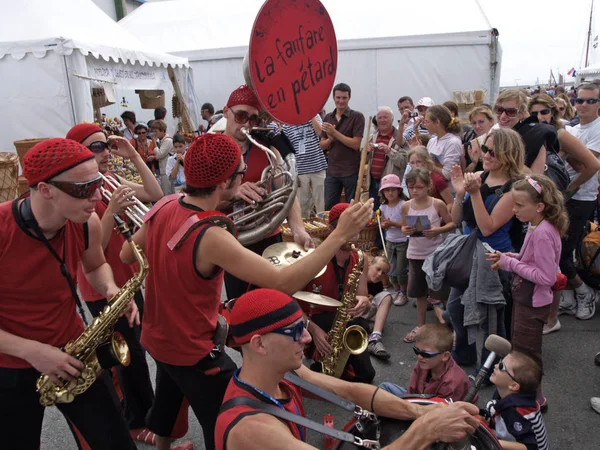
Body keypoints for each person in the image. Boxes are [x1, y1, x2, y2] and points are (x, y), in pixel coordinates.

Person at [120, 133, 373, 450]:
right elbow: (281, 282)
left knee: (169, 401)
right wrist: (337, 237)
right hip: (193, 349)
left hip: (158, 337)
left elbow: (127, 256)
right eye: (241, 172)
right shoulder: (210, 234)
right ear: (226, 180)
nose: (244, 176)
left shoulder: (167, 204)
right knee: (228, 425)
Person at [0, 138, 140, 450]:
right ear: (45, 189)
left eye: (97, 183)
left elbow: (95, 266)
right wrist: (33, 351)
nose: (98, 196)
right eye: (83, 188)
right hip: (10, 367)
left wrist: (111, 288)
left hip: (74, 352)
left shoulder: (86, 222)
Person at [215, 288, 481, 450]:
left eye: (304, 328)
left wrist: (422, 411)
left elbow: (352, 392)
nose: (307, 339)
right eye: (296, 331)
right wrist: (427, 430)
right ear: (260, 344)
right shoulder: (251, 429)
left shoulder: (282, 374)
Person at [66, 123, 162, 444]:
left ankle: (134, 411)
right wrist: (112, 213)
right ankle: (138, 420)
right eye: (96, 148)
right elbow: (90, 251)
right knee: (130, 353)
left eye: (106, 146)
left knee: (135, 347)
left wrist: (134, 154)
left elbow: (156, 195)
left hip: (128, 279)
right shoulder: (78, 192)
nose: (105, 152)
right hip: (101, 285)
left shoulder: (107, 181)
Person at [220, 84, 314, 299]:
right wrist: (232, 194)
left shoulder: (268, 150)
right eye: (241, 116)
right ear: (226, 112)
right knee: (242, 302)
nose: (247, 124)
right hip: (231, 242)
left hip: (269, 236)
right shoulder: (211, 150)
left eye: (254, 119)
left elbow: (287, 192)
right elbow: (197, 203)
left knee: (278, 297)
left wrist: (298, 229)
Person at [487, 174, 567, 411]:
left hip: (533, 303)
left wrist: (509, 264)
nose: (514, 209)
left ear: (540, 206)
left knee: (528, 355)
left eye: (519, 205)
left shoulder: (542, 232)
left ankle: (535, 400)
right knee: (521, 349)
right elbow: (528, 259)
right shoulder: (536, 225)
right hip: (525, 299)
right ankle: (528, 396)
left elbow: (546, 277)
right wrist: (510, 257)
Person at [449, 128, 524, 366]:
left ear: (508, 154)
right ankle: (464, 354)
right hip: (468, 253)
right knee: (455, 308)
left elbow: (488, 226)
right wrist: (460, 194)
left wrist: (474, 194)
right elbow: (456, 219)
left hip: (494, 260)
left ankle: (491, 368)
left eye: (493, 151)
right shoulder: (479, 175)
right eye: (485, 149)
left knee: (492, 320)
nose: (486, 155)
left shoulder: (514, 188)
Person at [302, 203, 376, 383]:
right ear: (331, 229)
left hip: (341, 321)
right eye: (349, 231)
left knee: (367, 375)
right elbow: (289, 302)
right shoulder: (314, 257)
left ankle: (333, 363)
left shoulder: (360, 258)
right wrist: (314, 330)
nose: (355, 237)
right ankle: (318, 355)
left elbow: (363, 295)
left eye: (358, 230)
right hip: (313, 321)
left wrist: (362, 302)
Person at [558, 84, 600, 320]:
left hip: (581, 197)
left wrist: (564, 149)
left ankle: (584, 293)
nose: (583, 105)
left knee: (563, 253)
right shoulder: (574, 129)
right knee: (563, 251)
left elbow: (588, 165)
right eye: (579, 100)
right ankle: (569, 295)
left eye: (590, 101)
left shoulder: (597, 129)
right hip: (566, 195)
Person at [401, 168, 456, 342]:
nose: (415, 191)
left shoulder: (437, 204)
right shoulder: (406, 205)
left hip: (435, 254)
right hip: (415, 253)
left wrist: (437, 230)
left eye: (419, 187)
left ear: (428, 186)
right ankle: (421, 326)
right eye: (411, 187)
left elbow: (452, 223)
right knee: (420, 293)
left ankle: (448, 327)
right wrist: (406, 229)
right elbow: (403, 227)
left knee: (440, 291)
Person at [379, 324, 473, 402]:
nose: (419, 356)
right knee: (384, 388)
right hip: (421, 400)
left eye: (426, 354)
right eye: (416, 350)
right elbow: (411, 392)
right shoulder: (425, 362)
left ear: (445, 356)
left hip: (441, 412)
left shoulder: (452, 382)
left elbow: (441, 414)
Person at [485, 351, 549, 450]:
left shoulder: (516, 411)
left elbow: (529, 446)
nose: (496, 365)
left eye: (502, 367)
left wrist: (493, 441)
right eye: (500, 361)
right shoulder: (507, 395)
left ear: (514, 386)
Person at [320, 83, 366, 210]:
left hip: (350, 170)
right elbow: (322, 145)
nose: (341, 101)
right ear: (333, 98)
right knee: (329, 207)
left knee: (350, 207)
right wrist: (330, 139)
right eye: (338, 97)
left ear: (349, 98)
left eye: (344, 98)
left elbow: (356, 144)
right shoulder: (328, 117)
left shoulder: (357, 117)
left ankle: (350, 230)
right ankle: (332, 230)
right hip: (332, 170)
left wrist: (335, 133)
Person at [282, 116, 328, 217]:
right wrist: (293, 173)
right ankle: (305, 228)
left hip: (318, 166)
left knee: (321, 203)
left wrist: (310, 116)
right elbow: (287, 151)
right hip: (300, 170)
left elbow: (321, 133)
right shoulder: (287, 124)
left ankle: (323, 228)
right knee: (303, 205)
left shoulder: (314, 116)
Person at [494, 89, 548, 175]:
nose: (503, 116)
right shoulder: (493, 134)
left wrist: (505, 158)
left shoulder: (534, 137)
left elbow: (536, 180)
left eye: (511, 112)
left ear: (522, 113)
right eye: (499, 110)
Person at [366, 107, 408, 212]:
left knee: (389, 214)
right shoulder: (372, 137)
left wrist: (389, 151)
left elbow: (403, 162)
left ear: (392, 120)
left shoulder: (400, 138)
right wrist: (366, 152)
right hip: (373, 183)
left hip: (390, 187)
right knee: (374, 214)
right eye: (379, 118)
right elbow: (364, 160)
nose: (382, 120)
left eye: (385, 117)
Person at [378, 174, 409, 306]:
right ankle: (395, 289)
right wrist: (384, 224)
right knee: (390, 267)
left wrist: (392, 224)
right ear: (383, 192)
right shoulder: (383, 207)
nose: (390, 193)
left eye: (393, 189)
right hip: (390, 241)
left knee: (401, 268)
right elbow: (382, 222)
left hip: (402, 240)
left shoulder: (403, 205)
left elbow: (406, 224)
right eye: (386, 190)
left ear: (399, 190)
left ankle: (403, 292)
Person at [403, 147, 454, 212]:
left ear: (426, 161)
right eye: (412, 163)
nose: (415, 165)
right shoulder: (411, 180)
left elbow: (450, 203)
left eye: (418, 162)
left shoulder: (437, 180)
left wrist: (440, 217)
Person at [364, 256, 394, 360]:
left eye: (383, 273)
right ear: (369, 265)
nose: (379, 274)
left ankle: (375, 338)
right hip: (351, 311)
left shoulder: (378, 285)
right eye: (378, 269)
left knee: (386, 296)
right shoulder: (357, 276)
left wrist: (371, 299)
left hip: (364, 313)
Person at [465, 106, 496, 173]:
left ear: (491, 121)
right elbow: (464, 174)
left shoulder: (498, 142)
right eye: (474, 123)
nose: (477, 126)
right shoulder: (470, 146)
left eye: (481, 122)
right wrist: (474, 163)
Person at [152, 119, 174, 195]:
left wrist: (155, 144)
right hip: (165, 170)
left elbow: (159, 155)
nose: (155, 134)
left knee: (167, 192)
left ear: (162, 131)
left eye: (156, 131)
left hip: (167, 171)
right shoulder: (163, 141)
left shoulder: (167, 141)